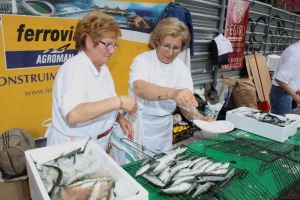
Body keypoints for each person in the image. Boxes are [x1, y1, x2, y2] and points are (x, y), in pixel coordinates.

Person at [45, 11, 138, 150]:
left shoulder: (101, 66)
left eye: (114, 45)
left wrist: (118, 117)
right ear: (89, 41)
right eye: (107, 44)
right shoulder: (75, 69)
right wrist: (119, 101)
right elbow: (73, 114)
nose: (112, 51)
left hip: (94, 143)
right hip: (73, 148)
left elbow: (100, 102)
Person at [128, 17, 213, 156]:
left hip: (163, 131)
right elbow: (140, 87)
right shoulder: (143, 60)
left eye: (176, 48)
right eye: (166, 46)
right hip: (138, 126)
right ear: (157, 41)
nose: (170, 52)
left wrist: (198, 117)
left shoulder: (181, 68)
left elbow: (186, 107)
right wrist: (173, 93)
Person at [269, 41, 300, 115]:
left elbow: (292, 75)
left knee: (289, 121)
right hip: (281, 94)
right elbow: (280, 78)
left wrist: (297, 89)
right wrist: (295, 96)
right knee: (281, 123)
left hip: (286, 92)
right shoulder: (296, 54)